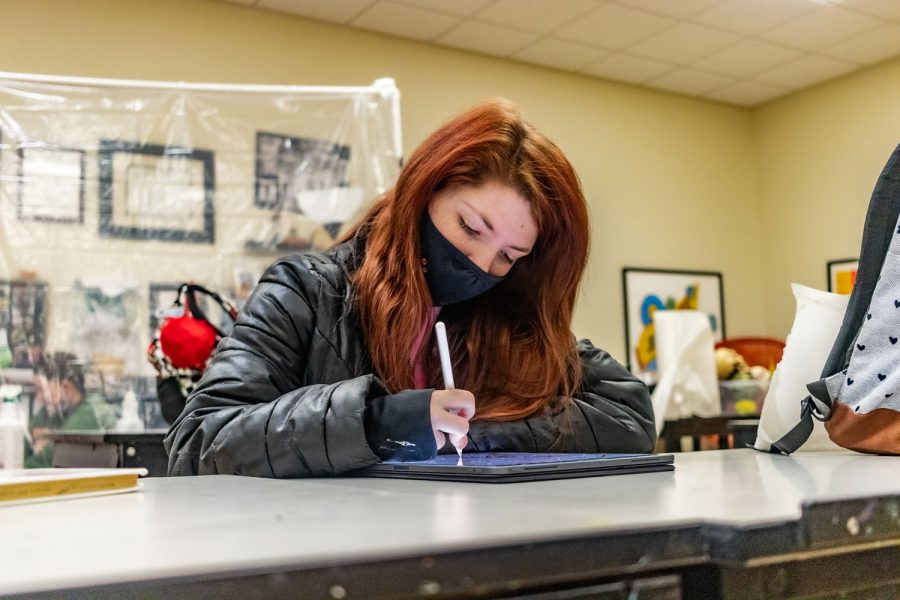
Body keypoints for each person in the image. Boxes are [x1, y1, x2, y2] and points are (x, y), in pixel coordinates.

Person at [165, 99, 656, 477]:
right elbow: (198, 443)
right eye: (469, 227)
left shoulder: (503, 314)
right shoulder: (305, 293)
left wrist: (481, 430)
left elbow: (629, 416)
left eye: (509, 256)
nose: (482, 265)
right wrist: (379, 424)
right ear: (425, 190)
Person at [26, 352, 116, 468]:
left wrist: (47, 442)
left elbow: (43, 462)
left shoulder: (88, 413)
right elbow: (27, 437)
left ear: (65, 386)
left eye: (42, 390)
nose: (38, 397)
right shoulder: (57, 409)